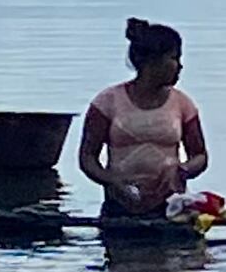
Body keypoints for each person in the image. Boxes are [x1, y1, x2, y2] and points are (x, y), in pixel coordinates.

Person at [80, 18, 209, 220]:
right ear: (152, 62)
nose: (179, 66)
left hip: (171, 206)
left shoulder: (183, 104)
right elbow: (88, 157)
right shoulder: (107, 102)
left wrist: (182, 170)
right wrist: (112, 181)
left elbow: (200, 155)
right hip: (120, 206)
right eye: (174, 58)